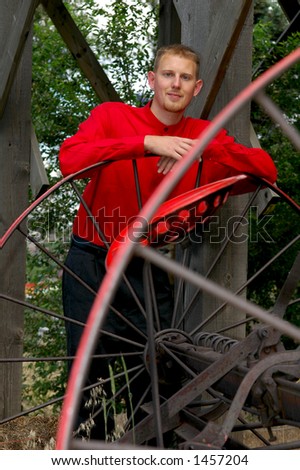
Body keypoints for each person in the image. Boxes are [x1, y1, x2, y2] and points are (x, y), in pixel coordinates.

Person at [59, 44, 277, 441]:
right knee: (87, 371)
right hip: (91, 261)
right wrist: (146, 144)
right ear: (152, 80)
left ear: (196, 88)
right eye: (168, 74)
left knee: (156, 367)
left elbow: (265, 170)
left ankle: (155, 448)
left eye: (185, 77)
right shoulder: (114, 117)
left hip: (148, 265)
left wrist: (200, 150)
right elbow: (70, 159)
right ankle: (87, 450)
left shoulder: (202, 134)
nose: (175, 84)